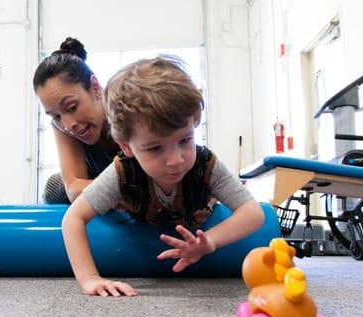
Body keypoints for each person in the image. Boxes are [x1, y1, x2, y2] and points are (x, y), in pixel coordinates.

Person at [62, 56, 265, 297]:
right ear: (127, 147)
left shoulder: (205, 165)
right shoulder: (122, 171)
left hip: (193, 211)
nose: (176, 159)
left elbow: (253, 213)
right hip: (134, 208)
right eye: (155, 148)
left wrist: (209, 241)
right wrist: (90, 278)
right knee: (61, 190)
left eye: (185, 140)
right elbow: (72, 220)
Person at [34, 37, 120, 204]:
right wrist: (124, 196)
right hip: (114, 191)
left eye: (72, 107)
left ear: (95, 87)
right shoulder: (63, 126)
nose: (68, 125)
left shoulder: (127, 109)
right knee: (56, 187)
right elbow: (73, 188)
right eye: (56, 116)